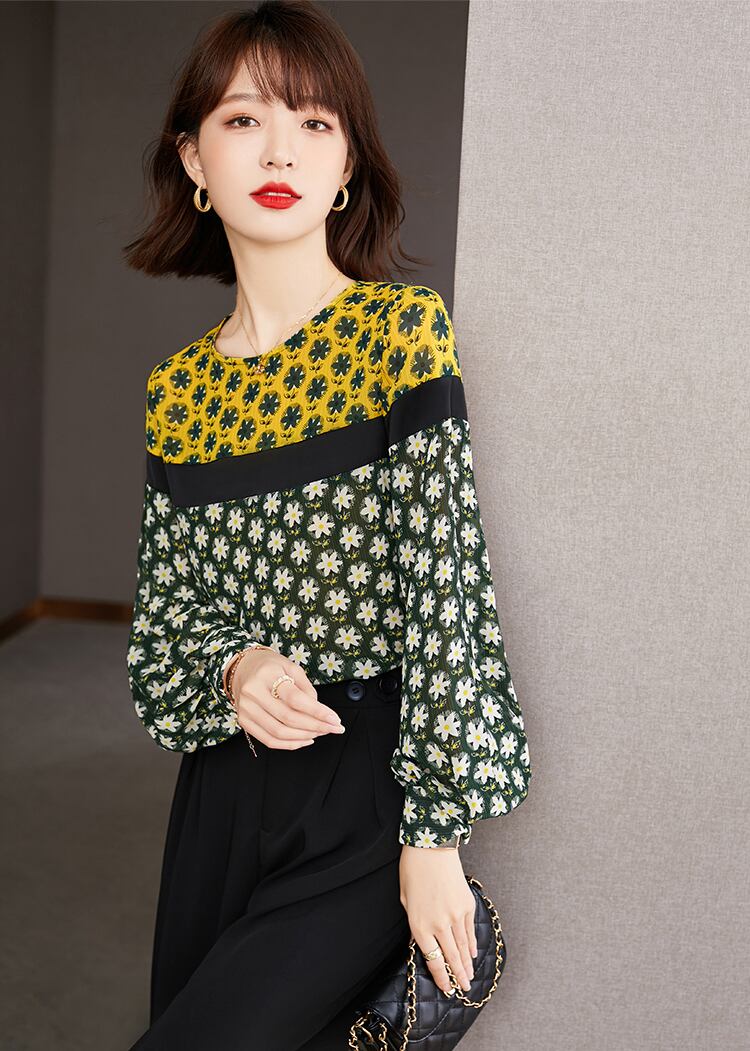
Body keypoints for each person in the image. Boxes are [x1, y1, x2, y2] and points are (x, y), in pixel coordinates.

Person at [122, 2, 532, 1047]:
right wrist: (236, 665)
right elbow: (163, 632)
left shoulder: (400, 334)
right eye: (244, 119)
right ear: (194, 159)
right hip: (219, 798)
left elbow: (447, 593)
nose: (280, 151)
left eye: (314, 123)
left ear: (347, 166)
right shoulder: (177, 391)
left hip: (367, 791)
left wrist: (432, 836)